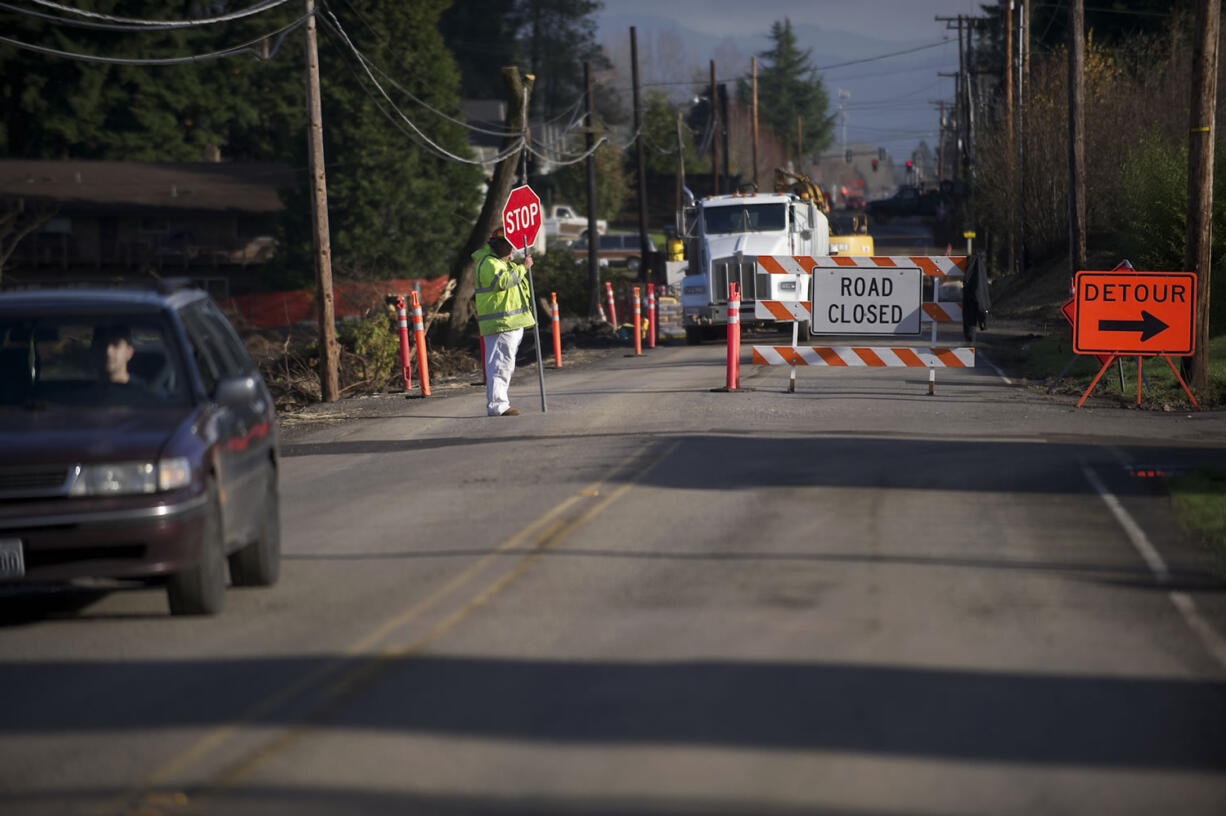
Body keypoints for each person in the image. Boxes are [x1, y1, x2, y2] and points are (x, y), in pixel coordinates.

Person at [472, 232, 535, 416]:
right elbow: (504, 282)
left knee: (505, 364)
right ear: (496, 244)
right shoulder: (489, 263)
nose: (511, 250)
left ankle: (499, 403)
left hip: (509, 323)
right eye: (508, 245)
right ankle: (497, 405)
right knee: (500, 365)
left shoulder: (501, 263)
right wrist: (523, 267)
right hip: (500, 324)